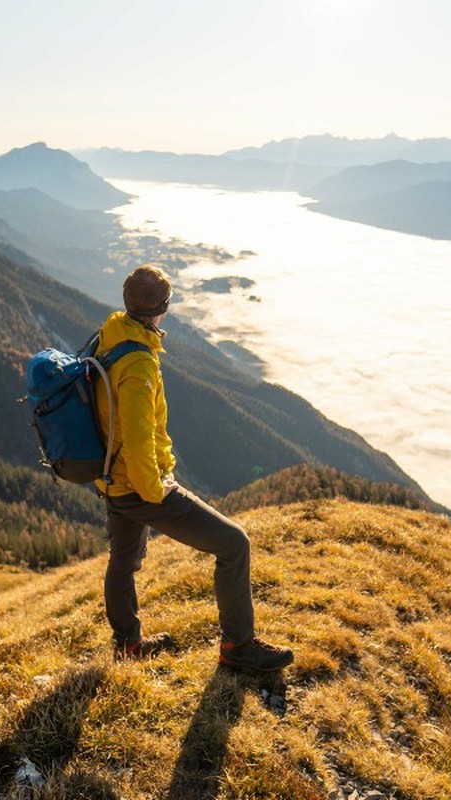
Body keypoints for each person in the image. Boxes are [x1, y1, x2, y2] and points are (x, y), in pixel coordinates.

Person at [94, 263, 294, 672]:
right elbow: (136, 438)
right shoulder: (138, 364)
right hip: (138, 485)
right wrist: (157, 491)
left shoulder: (111, 334)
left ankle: (128, 646)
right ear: (162, 308)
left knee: (123, 561)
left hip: (113, 478)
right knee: (234, 544)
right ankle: (238, 646)